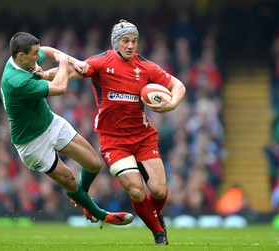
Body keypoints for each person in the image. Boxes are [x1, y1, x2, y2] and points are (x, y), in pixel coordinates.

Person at [47, 20, 186, 245]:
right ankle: (159, 234)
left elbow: (178, 85)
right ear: (116, 42)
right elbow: (73, 70)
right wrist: (44, 75)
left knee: (159, 191)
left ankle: (155, 215)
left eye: (134, 41)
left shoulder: (146, 67)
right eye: (126, 41)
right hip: (113, 141)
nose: (131, 45)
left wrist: (172, 104)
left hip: (143, 136)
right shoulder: (101, 62)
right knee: (136, 189)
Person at [0, 31, 134, 226]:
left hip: (49, 122)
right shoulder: (16, 82)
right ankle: (102, 214)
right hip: (31, 143)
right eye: (34, 54)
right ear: (21, 56)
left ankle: (81, 197)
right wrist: (63, 62)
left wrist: (74, 60)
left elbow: (48, 51)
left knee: (94, 164)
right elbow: (60, 88)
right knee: (70, 180)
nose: (38, 57)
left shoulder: (21, 57)